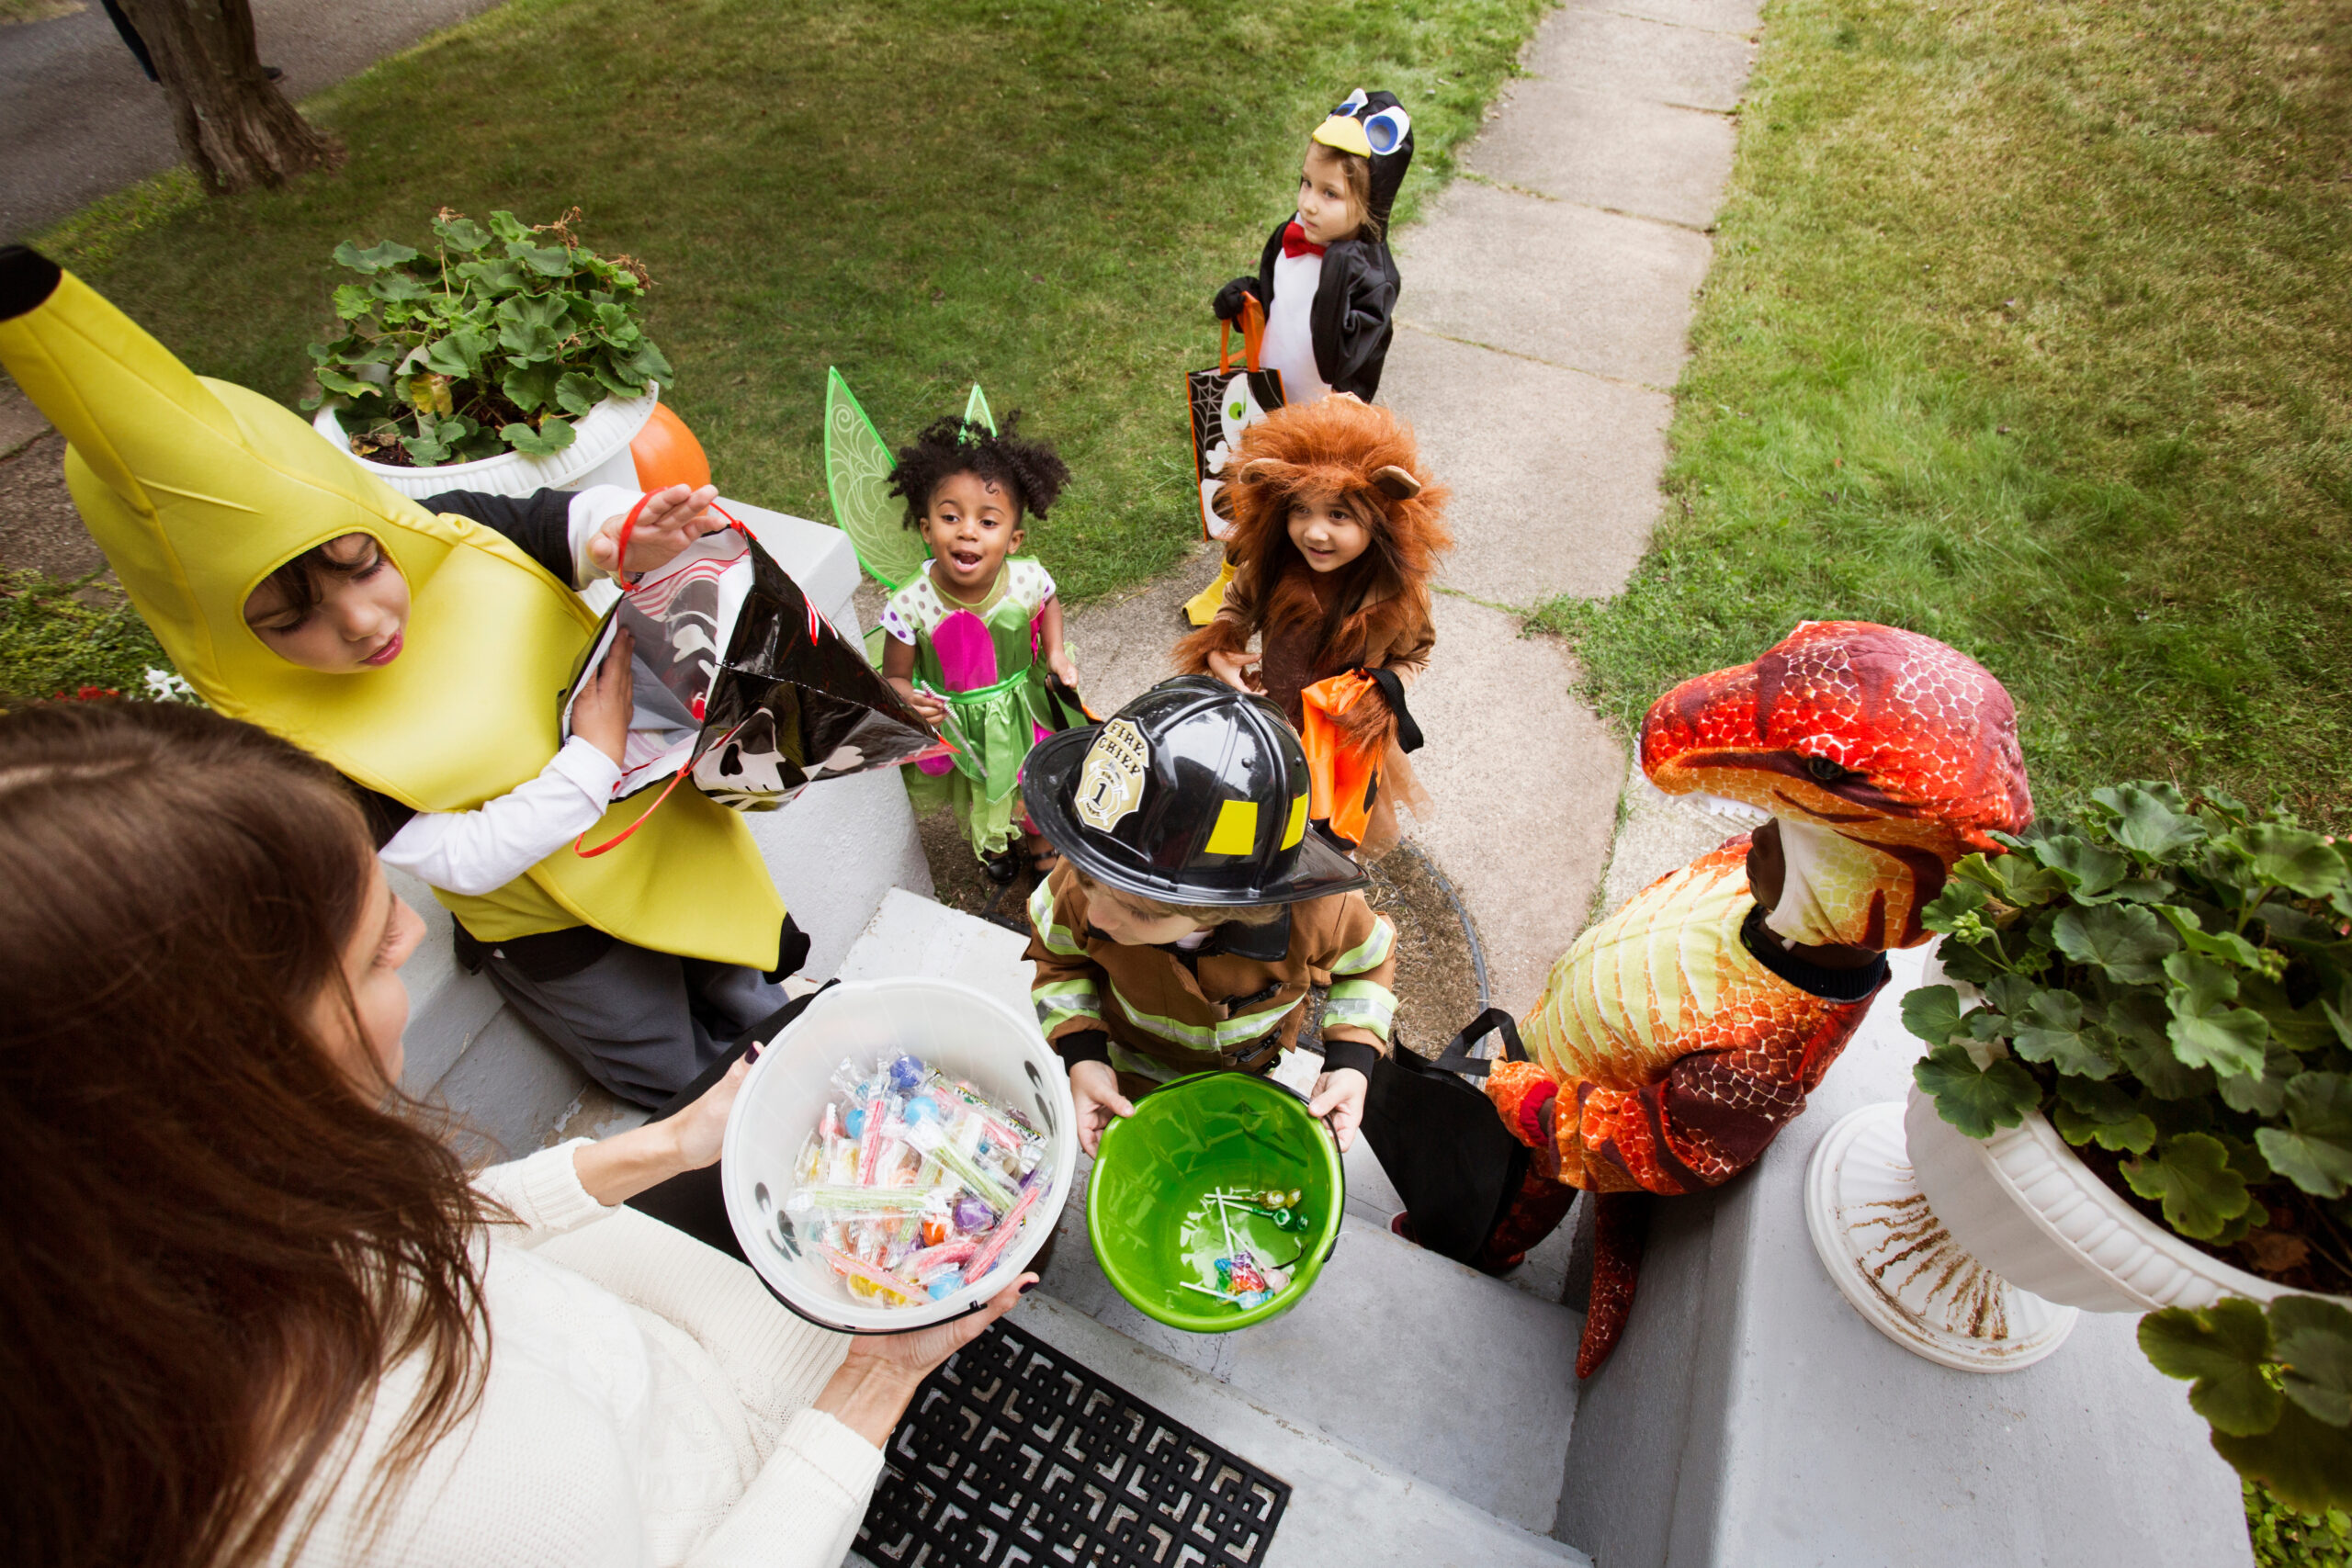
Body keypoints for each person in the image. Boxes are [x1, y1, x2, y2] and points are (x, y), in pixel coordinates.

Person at [0, 698, 1031, 1568]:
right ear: (238, 1075)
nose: (418, 931)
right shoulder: (439, 1506)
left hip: (670, 1354)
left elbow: (448, 1227)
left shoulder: (198, 1230)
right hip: (738, 1485)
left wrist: (667, 1144)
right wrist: (878, 1381)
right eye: (374, 952)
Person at [0, 244, 801, 1109]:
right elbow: (456, 855)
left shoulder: (430, 528)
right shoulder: (290, 751)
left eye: (363, 564)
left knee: (737, 967)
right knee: (662, 1053)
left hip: (662, 830)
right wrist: (590, 762)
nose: (364, 619)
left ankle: (791, 1052)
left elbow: (549, 523)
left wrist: (618, 533)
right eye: (293, 620)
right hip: (555, 923)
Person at [1460, 622, 2034, 1377]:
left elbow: (1675, 1146)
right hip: (1545, 1044)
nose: (1756, 839)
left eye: (1790, 835)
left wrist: (1541, 1109)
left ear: (1848, 887)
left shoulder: (1770, 1045)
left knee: (1488, 1203)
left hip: (1545, 1122)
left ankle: (1478, 1254)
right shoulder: (1773, 891)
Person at [1018, 676, 1400, 1156]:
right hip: (1130, 1072)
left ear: (1232, 907)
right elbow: (1059, 962)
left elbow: (1367, 965)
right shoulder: (1097, 871)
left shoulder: (1321, 916)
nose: (1097, 916)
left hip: (1246, 1076)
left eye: (1139, 911)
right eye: (1089, 881)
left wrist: (1351, 1060)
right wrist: (1084, 1057)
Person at [1176, 396, 1451, 860]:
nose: (1314, 532)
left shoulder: (1398, 594)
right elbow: (1236, 604)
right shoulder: (1273, 565)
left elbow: (1415, 654)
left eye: (1338, 515)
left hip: (1343, 746)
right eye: (1300, 509)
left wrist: (1381, 696)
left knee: (1328, 835)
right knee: (1250, 816)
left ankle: (1319, 876)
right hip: (1269, 720)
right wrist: (1222, 645)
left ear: (1380, 518)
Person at [1185, 87, 1417, 626]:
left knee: (1308, 510)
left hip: (1321, 420)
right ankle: (1233, 582)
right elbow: (1275, 302)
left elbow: (1345, 361)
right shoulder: (1289, 237)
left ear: (1371, 205)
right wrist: (1245, 297)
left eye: (1330, 194)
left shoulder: (1372, 277)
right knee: (1248, 489)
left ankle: (1304, 593)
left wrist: (1336, 277)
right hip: (1269, 396)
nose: (1309, 203)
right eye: (1306, 183)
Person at [876, 411, 1081, 885]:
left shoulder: (1026, 579)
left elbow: (1049, 602)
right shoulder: (911, 604)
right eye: (950, 517)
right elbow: (895, 677)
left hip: (1021, 704)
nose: (967, 531)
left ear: (1013, 539)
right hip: (959, 718)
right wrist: (909, 698)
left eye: (987, 521)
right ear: (926, 529)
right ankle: (993, 841)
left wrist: (1054, 653)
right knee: (980, 781)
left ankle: (1039, 838)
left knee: (1030, 774)